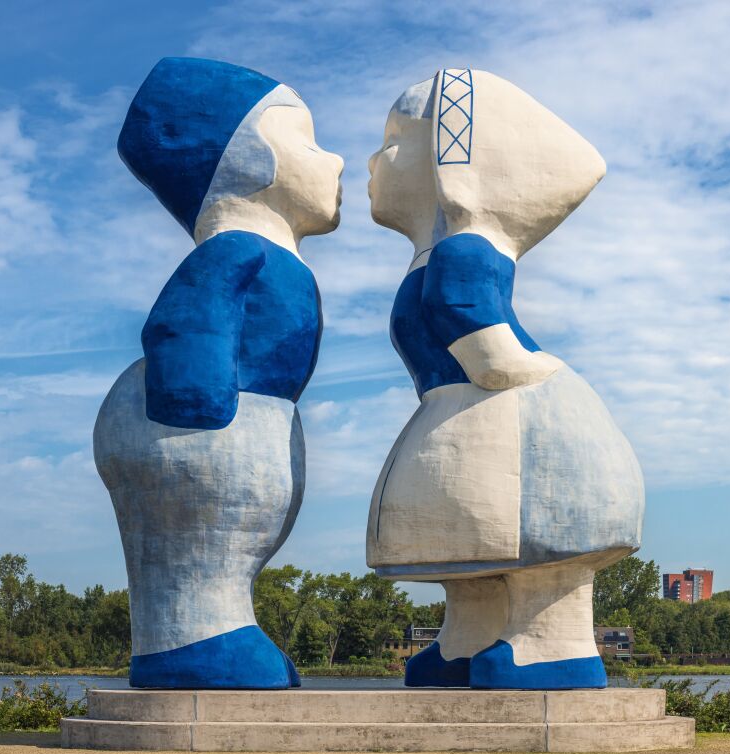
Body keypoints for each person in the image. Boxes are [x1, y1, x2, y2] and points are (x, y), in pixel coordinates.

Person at [366, 69, 643, 689]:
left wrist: (513, 369)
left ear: (450, 157)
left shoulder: (465, 249)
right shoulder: (439, 251)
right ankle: (469, 637)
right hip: (468, 412)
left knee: (536, 553)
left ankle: (555, 646)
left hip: (517, 418)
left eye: (393, 141)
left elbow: (477, 329)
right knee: (480, 556)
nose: (372, 160)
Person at [95, 58, 343, 689]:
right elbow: (182, 322)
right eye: (311, 143)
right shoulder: (235, 247)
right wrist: (197, 403)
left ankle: (213, 633)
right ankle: (195, 640)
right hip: (206, 420)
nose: (334, 160)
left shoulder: (259, 248)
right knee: (197, 553)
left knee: (217, 556)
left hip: (244, 415)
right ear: (252, 162)